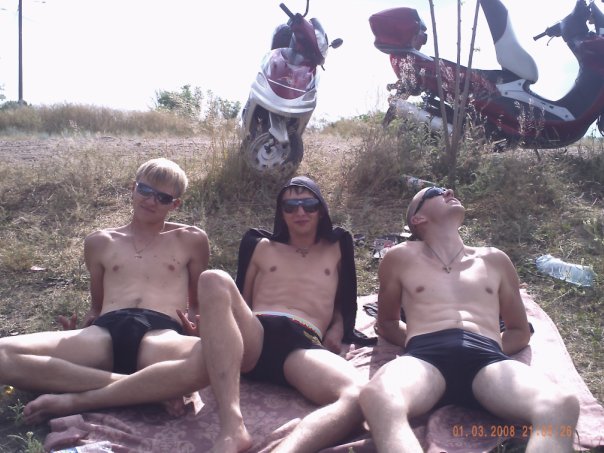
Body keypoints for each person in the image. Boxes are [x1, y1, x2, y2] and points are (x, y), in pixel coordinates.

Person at [20, 176, 374, 453]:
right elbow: (240, 300)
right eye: (290, 205)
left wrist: (339, 327)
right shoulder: (262, 245)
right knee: (214, 279)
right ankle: (232, 427)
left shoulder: (336, 246)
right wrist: (215, 327)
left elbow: (344, 300)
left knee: (357, 394)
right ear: (281, 211)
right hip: (256, 334)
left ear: (321, 209)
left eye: (309, 204)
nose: (300, 212)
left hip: (303, 343)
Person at [359, 186, 580, 453]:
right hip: (425, 357)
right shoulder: (400, 257)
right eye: (435, 192)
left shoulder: (495, 259)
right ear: (418, 218)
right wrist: (418, 342)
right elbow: (387, 324)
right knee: (379, 395)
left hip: (487, 360)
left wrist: (488, 348)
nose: (449, 191)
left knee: (561, 404)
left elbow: (519, 331)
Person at [0, 157, 209, 408]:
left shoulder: (191, 239)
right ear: (133, 188)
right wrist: (77, 335)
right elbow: (96, 308)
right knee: (2, 354)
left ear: (175, 204)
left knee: (216, 356)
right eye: (145, 190)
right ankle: (144, 386)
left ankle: (82, 393)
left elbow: (196, 304)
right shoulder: (99, 242)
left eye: (162, 198)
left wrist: (196, 330)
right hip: (104, 334)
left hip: (161, 336)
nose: (151, 201)